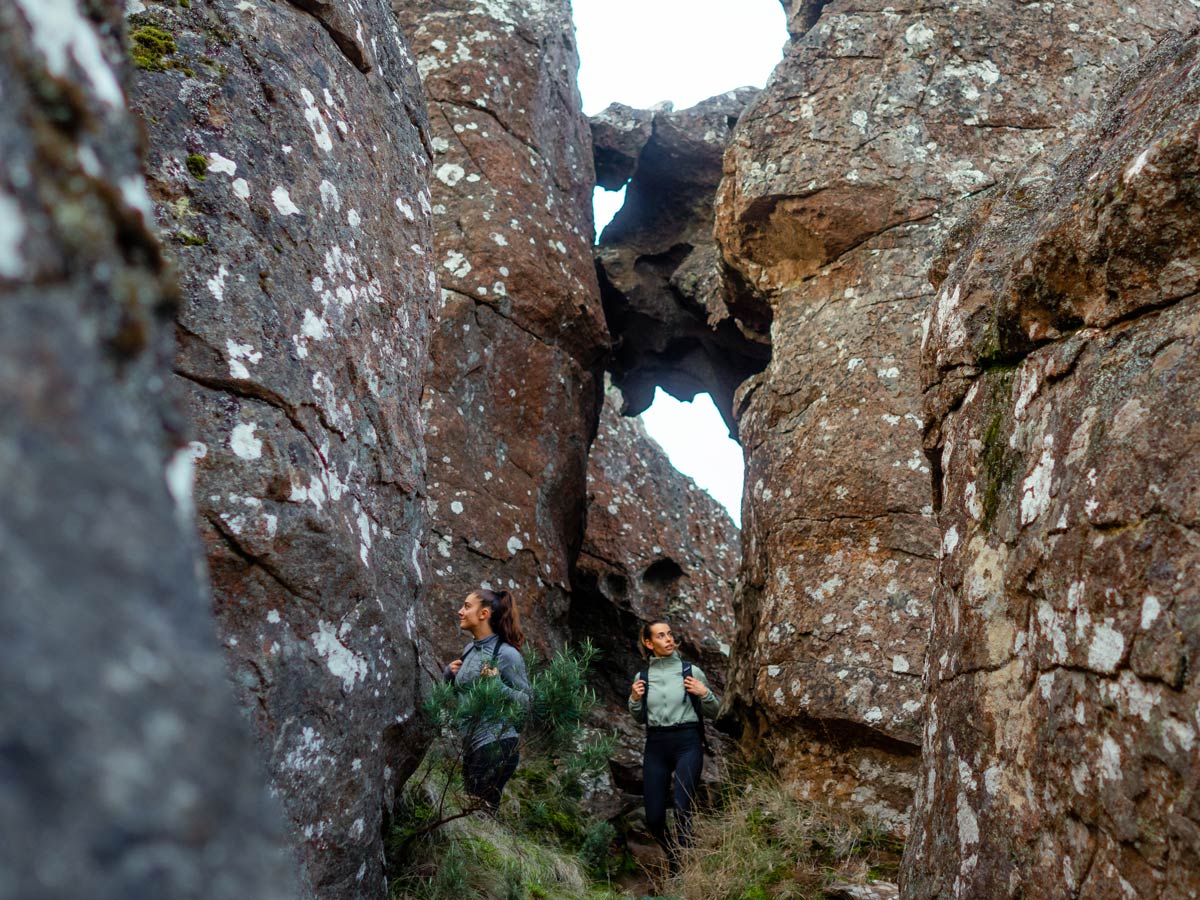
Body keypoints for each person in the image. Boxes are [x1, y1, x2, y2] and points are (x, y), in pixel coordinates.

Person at [628, 620, 719, 874]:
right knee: (654, 818)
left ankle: (688, 871)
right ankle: (674, 856)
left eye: (670, 634)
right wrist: (634, 699)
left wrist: (705, 694)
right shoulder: (642, 677)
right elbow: (638, 716)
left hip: (687, 741)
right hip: (656, 745)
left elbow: (715, 712)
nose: (668, 639)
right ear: (649, 643)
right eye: (660, 636)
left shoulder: (691, 671)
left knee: (682, 807)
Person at [444, 588, 530, 811]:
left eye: (467, 606)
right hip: (472, 746)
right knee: (470, 812)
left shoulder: (507, 654)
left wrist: (497, 686)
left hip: (498, 745)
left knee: (477, 813)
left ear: (483, 614)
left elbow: (527, 702)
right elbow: (463, 697)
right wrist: (450, 677)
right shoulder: (470, 649)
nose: (460, 611)